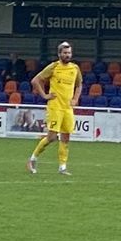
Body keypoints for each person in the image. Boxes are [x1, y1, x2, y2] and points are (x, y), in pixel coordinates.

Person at [27, 41, 82, 176]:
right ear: (59, 54)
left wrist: (75, 99)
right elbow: (35, 80)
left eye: (69, 52)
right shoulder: (53, 67)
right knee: (51, 137)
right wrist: (45, 95)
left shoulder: (75, 68)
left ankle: (62, 167)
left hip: (67, 108)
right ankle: (32, 159)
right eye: (65, 53)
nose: (67, 55)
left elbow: (79, 85)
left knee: (66, 137)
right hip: (55, 107)